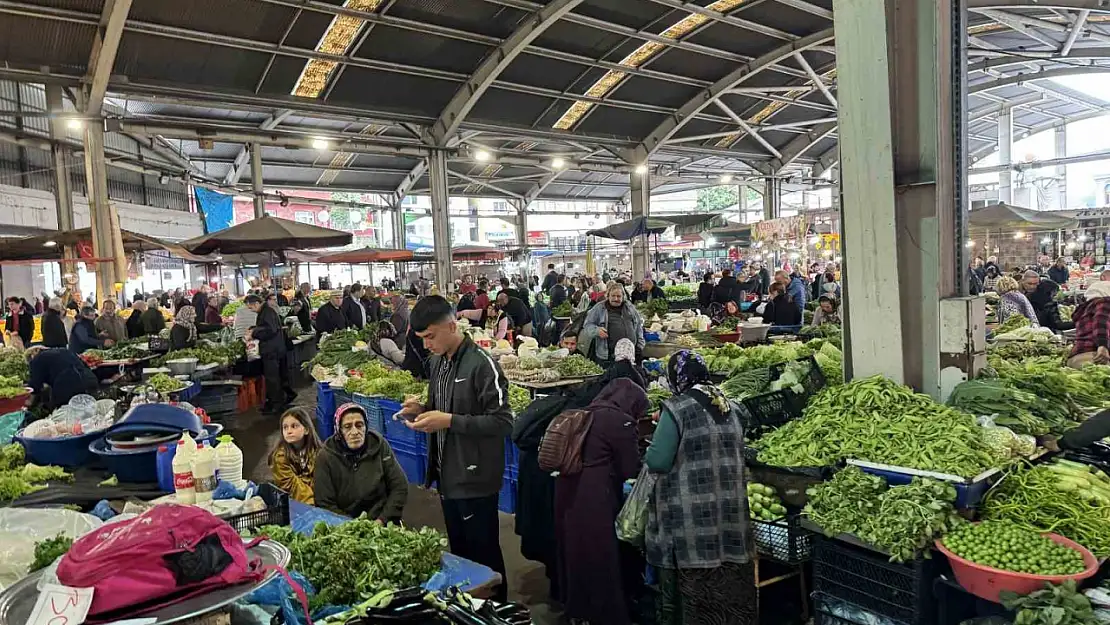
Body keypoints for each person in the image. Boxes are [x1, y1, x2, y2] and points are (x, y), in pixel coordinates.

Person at [398, 295, 512, 601]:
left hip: (475, 480)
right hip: (447, 476)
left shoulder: (482, 365)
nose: (426, 346)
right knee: (461, 557)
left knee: (484, 557)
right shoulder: (438, 363)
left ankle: (499, 614)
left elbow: (502, 422)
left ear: (451, 325)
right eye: (421, 339)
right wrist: (420, 409)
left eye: (430, 337)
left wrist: (449, 420)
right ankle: (470, 611)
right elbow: (439, 408)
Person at [645, 350, 755, 625]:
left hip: (692, 520)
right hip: (731, 514)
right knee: (730, 592)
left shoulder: (677, 408)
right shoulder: (730, 405)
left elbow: (657, 460)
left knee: (694, 599)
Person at [555, 378, 645, 625]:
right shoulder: (619, 420)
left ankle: (577, 609)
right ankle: (604, 614)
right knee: (600, 554)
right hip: (595, 495)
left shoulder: (587, 411)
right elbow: (629, 468)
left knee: (576, 551)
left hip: (567, 491)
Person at [314, 403, 408, 521]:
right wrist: (354, 528)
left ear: (366, 427)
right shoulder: (326, 457)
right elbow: (324, 503)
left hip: (380, 518)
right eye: (347, 426)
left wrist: (382, 520)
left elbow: (399, 486)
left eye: (359, 425)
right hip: (344, 525)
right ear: (339, 431)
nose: (355, 432)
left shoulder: (379, 445)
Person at [246, 294, 295, 415]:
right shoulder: (267, 311)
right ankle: (279, 401)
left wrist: (254, 332)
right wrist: (255, 328)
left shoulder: (266, 312)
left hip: (272, 351)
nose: (251, 310)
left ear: (256, 304)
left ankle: (276, 405)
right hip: (276, 349)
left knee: (272, 378)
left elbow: (270, 330)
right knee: (277, 377)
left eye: (251, 308)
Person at [269, 407, 322, 504]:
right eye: (285, 427)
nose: (289, 431)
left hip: (317, 498)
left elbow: (320, 480)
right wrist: (312, 505)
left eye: (294, 426)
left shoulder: (318, 452)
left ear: (306, 429)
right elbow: (291, 485)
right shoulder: (280, 456)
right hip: (292, 502)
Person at [583, 283, 645, 364]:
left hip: (630, 354)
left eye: (619, 296)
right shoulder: (599, 308)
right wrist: (597, 331)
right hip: (608, 357)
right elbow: (587, 326)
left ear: (623, 297)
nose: (616, 299)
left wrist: (640, 346)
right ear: (608, 296)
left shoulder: (629, 307)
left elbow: (638, 326)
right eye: (613, 296)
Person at [27, 346, 99, 410]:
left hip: (68, 386)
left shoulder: (36, 359)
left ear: (31, 355)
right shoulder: (64, 350)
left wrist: (29, 404)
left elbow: (35, 386)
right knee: (92, 410)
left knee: (68, 414)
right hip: (89, 379)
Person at [1067, 280, 1110, 367]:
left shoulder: (1085, 309)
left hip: (1077, 356)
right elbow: (1101, 323)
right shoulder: (1104, 303)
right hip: (1094, 355)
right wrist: (1103, 346)